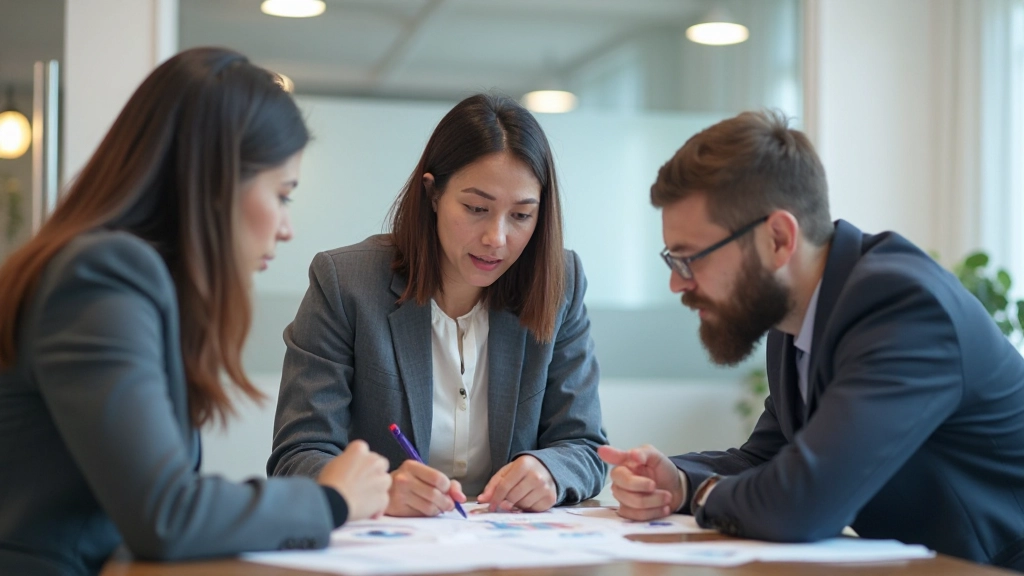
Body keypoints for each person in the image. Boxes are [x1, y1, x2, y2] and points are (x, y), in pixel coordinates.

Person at [0, 47, 392, 575]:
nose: (286, 227)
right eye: (282, 194)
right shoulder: (103, 275)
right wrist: (332, 500)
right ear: (216, 182)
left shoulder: (117, 274)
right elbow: (166, 512)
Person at [598, 110, 1024, 571]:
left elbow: (805, 500)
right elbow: (768, 457)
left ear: (778, 238)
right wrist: (678, 481)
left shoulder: (905, 308)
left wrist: (704, 495)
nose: (679, 285)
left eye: (690, 259)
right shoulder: (798, 312)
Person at [268, 93, 608, 517]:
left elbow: (586, 447)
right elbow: (297, 455)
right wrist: (380, 490)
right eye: (476, 208)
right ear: (432, 194)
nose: (496, 238)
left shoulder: (560, 283)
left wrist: (550, 470)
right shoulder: (346, 284)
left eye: (521, 216)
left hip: (511, 551)